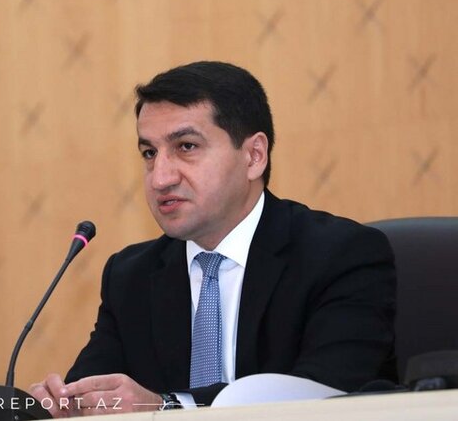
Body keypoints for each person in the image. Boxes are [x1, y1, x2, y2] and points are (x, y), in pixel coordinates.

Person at [29, 61, 396, 417]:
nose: (160, 178)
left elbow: (326, 395)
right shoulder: (130, 276)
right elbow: (96, 388)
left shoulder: (341, 255)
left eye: (186, 147)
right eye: (149, 153)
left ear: (254, 156)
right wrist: (67, 403)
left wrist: (169, 406)